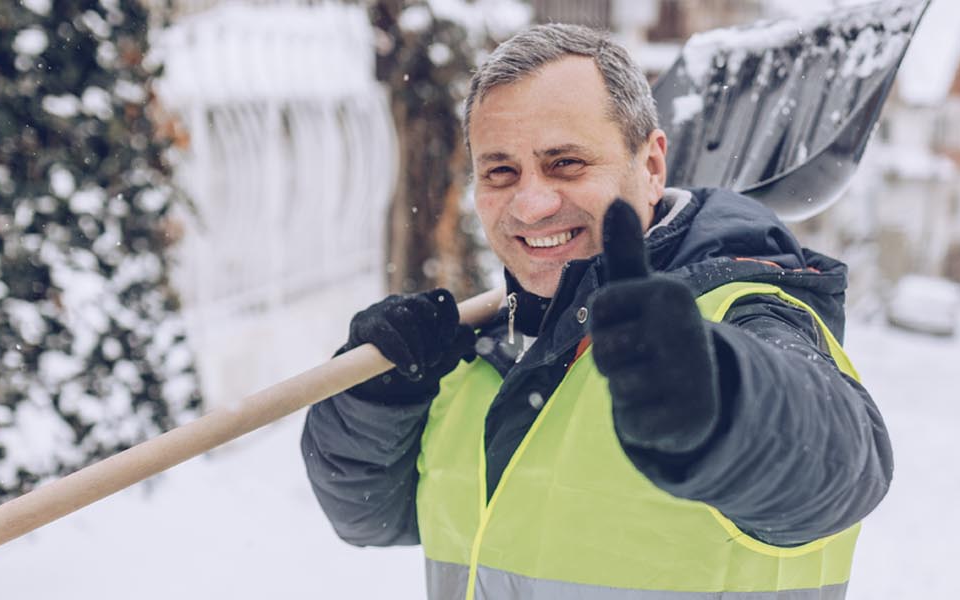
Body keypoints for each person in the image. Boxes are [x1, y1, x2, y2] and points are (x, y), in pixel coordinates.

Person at [300, 23, 892, 599]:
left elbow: (838, 468)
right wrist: (378, 402)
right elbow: (369, 519)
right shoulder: (487, 345)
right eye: (501, 171)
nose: (530, 206)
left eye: (566, 163)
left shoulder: (741, 318)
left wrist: (721, 403)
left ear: (652, 167)